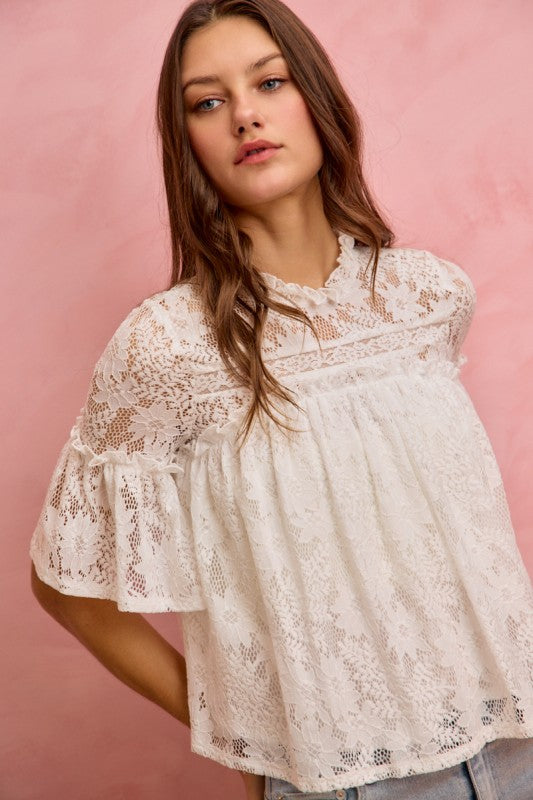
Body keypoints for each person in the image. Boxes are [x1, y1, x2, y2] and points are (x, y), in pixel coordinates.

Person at [29, 1, 533, 798]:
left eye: (269, 81)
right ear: (187, 141)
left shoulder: (427, 295)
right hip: (345, 780)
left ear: (317, 99)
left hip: (518, 738)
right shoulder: (166, 346)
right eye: (207, 101)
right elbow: (66, 587)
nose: (245, 116)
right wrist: (241, 743)